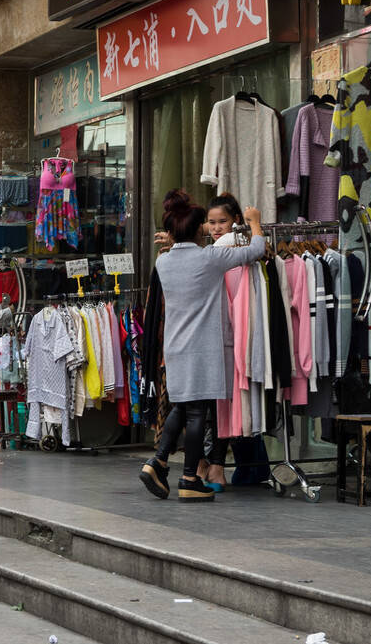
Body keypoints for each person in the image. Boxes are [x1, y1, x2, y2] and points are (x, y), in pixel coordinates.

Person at [140, 189, 265, 504]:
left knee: (181, 408)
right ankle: (190, 478)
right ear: (198, 230)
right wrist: (254, 221)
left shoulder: (163, 263)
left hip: (176, 347)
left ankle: (158, 461)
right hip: (204, 347)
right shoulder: (211, 257)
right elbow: (257, 249)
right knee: (196, 412)